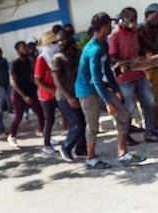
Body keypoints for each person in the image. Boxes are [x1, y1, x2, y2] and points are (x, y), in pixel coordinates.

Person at [75, 12, 146, 169]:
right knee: (92, 126)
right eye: (109, 25)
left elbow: (106, 70)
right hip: (87, 90)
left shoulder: (104, 45)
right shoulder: (92, 49)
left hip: (99, 86)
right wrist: (108, 102)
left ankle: (123, 153)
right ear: (103, 27)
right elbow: (95, 78)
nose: (111, 28)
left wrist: (116, 89)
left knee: (123, 114)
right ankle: (91, 158)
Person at [108, 7, 158, 143]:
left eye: (135, 20)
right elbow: (111, 59)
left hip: (140, 74)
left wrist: (145, 56)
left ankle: (150, 131)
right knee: (128, 107)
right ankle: (125, 134)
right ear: (123, 20)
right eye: (131, 20)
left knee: (150, 102)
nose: (134, 23)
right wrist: (126, 63)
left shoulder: (136, 33)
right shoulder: (115, 37)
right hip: (125, 79)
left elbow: (140, 49)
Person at [52, 29, 87, 162]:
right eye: (58, 41)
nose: (60, 43)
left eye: (63, 39)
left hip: (77, 92)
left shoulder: (76, 53)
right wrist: (69, 97)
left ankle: (80, 149)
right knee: (76, 124)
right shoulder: (57, 57)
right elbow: (56, 81)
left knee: (83, 122)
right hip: (64, 96)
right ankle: (66, 147)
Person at [7, 41, 45, 148]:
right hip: (19, 95)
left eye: (26, 47)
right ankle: (12, 136)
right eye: (23, 47)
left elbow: (31, 77)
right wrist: (23, 96)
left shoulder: (28, 61)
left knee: (40, 113)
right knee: (18, 116)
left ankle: (43, 132)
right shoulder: (15, 63)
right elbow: (12, 82)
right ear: (18, 50)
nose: (26, 49)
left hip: (31, 92)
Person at [34, 30, 61, 154]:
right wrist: (51, 90)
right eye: (54, 42)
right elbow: (37, 80)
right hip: (47, 95)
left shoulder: (55, 55)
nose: (57, 44)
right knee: (49, 119)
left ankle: (49, 137)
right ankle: (46, 144)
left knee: (57, 117)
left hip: (58, 91)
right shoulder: (42, 59)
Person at [138, 3, 158, 130]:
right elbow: (137, 47)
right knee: (152, 97)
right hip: (148, 67)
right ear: (148, 15)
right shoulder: (141, 30)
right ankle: (153, 123)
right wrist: (145, 52)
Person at [0, 47, 12, 114]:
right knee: (4, 97)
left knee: (7, 96)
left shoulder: (4, 60)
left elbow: (7, 71)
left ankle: (8, 109)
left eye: (0, 52)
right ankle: (1, 109)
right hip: (0, 83)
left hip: (6, 81)